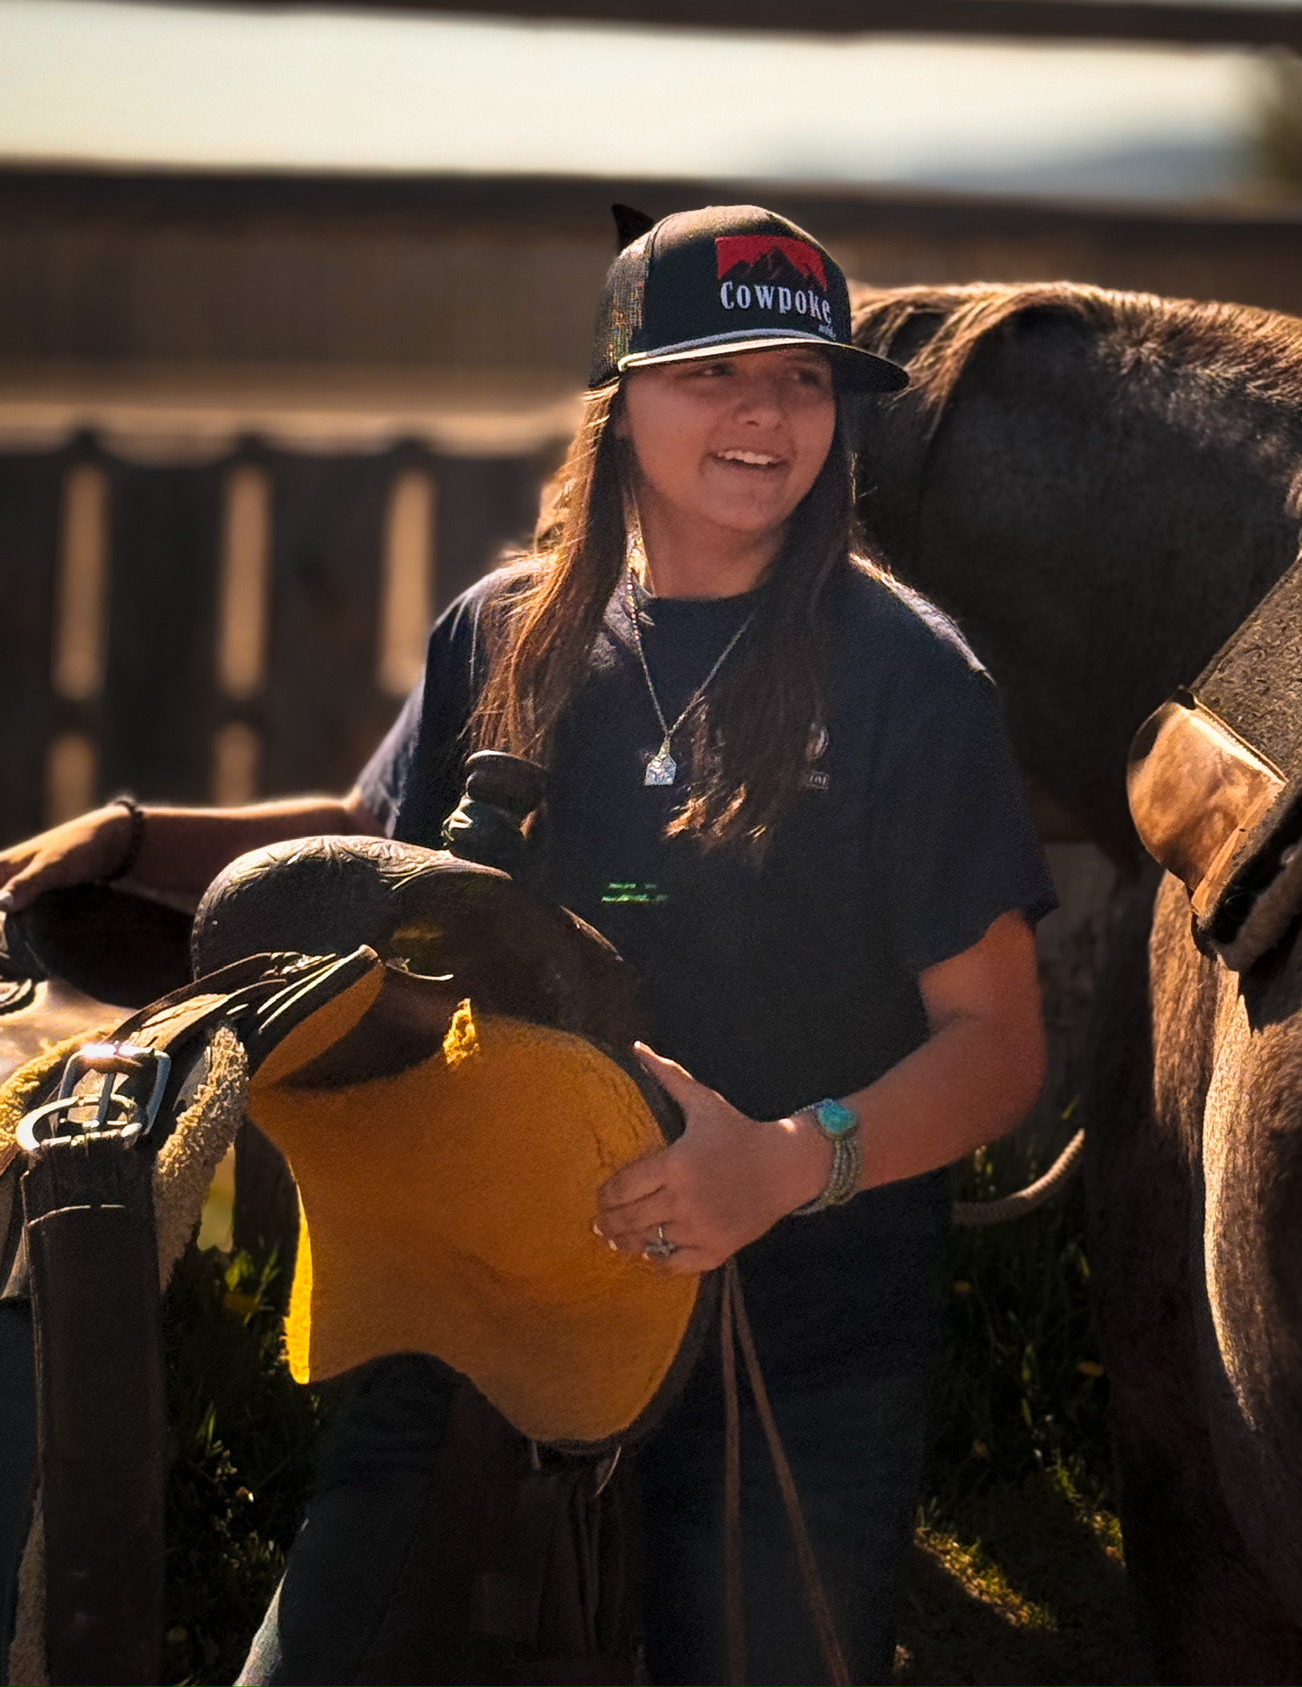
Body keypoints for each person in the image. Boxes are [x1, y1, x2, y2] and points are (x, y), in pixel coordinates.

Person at [0, 203, 1054, 1685]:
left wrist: (784, 1164)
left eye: (805, 379)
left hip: (792, 1336)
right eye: (716, 371)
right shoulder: (505, 629)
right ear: (620, 397)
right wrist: (135, 834)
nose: (767, 413)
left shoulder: (905, 679)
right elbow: (377, 852)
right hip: (475, 1289)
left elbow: (997, 1041)